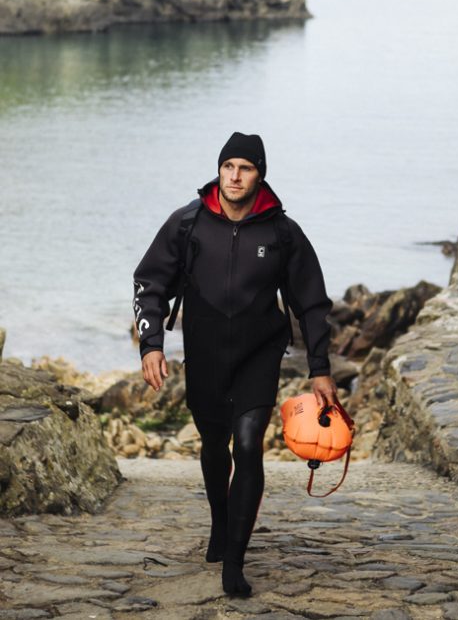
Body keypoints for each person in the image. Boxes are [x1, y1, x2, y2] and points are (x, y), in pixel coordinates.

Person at [133, 132, 337, 597]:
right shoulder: (187, 224)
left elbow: (311, 302)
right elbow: (150, 283)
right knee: (213, 444)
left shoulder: (282, 233)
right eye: (229, 167)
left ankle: (235, 565)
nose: (235, 175)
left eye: (245, 168)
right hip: (204, 353)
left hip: (258, 354)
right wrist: (152, 344)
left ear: (259, 174)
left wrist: (320, 368)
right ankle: (220, 525)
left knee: (247, 446)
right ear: (220, 170)